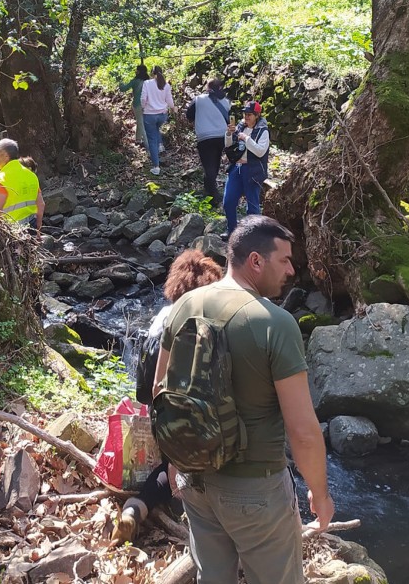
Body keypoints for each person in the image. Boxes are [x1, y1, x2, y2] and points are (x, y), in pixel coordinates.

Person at [153, 216, 334, 584]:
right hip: (256, 489)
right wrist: (320, 494)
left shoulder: (185, 304)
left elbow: (161, 392)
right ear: (255, 260)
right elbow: (303, 431)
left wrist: (173, 461)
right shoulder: (275, 323)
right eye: (284, 260)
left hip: (195, 481)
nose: (291, 270)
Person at [110, 249, 223, 546]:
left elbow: (147, 379)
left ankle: (135, 509)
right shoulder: (196, 326)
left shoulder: (162, 316)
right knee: (188, 467)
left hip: (152, 409)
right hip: (177, 414)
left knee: (167, 466)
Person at [223, 101, 270, 235]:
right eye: (245, 114)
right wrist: (228, 134)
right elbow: (229, 145)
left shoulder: (263, 131)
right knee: (228, 201)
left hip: (252, 170)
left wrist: (246, 138)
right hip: (236, 168)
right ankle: (231, 229)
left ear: (257, 115)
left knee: (253, 205)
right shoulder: (240, 126)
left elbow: (260, 151)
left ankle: (254, 235)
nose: (246, 117)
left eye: (249, 114)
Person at [185, 79, 230, 204]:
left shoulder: (199, 99)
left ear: (208, 87)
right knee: (215, 162)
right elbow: (228, 119)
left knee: (208, 165)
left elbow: (189, 116)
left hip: (205, 137)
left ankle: (212, 194)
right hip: (222, 136)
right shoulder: (226, 102)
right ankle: (209, 188)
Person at [0, 138, 45, 235]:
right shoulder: (31, 175)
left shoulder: (0, 180)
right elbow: (41, 204)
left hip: (12, 232)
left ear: (6, 156)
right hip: (32, 227)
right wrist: (38, 230)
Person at [141, 66, 176, 176]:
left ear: (152, 73)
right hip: (162, 115)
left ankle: (156, 167)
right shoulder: (166, 85)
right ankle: (160, 144)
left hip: (149, 115)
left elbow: (143, 99)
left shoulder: (147, 83)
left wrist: (142, 107)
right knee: (156, 129)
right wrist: (173, 108)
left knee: (151, 140)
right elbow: (169, 100)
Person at [120, 64, 149, 147]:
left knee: (140, 122)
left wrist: (120, 82)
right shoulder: (148, 81)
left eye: (137, 70)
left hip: (137, 104)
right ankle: (138, 140)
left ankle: (146, 142)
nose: (135, 71)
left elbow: (123, 89)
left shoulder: (134, 81)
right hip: (147, 105)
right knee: (142, 122)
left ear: (139, 71)